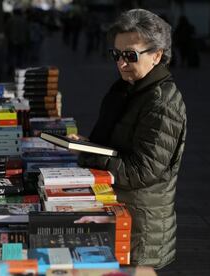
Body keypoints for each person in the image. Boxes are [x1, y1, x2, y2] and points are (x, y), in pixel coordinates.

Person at [71, 9, 187, 269]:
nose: (120, 63)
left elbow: (142, 170)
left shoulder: (161, 102)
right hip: (121, 211)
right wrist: (87, 144)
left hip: (140, 227)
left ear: (156, 55)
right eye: (116, 54)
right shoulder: (129, 89)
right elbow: (120, 145)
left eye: (130, 55)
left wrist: (90, 154)